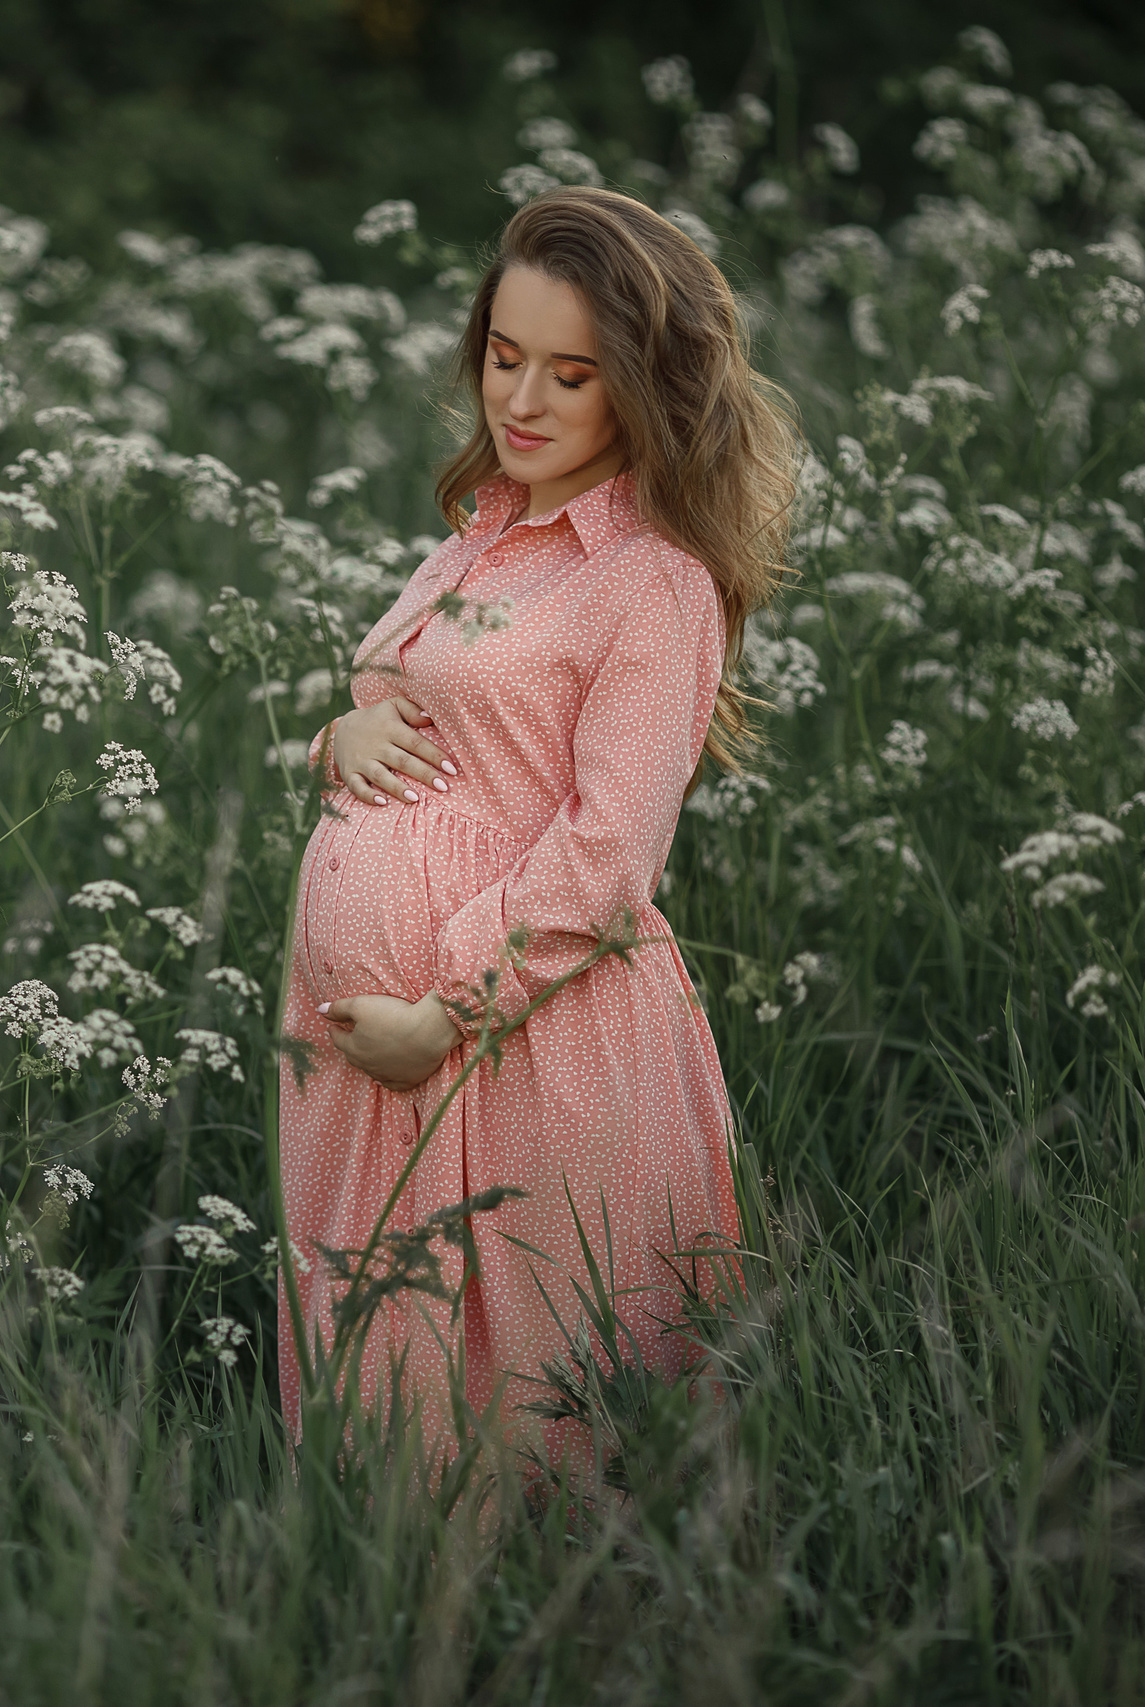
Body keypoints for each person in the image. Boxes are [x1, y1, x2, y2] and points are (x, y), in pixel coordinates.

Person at [278, 185, 799, 1476]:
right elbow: (407, 710)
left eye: (570, 374)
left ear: (643, 384)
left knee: (531, 1418)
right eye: (505, 359)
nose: (521, 401)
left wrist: (448, 1009)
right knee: (377, 1403)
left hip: (514, 1040)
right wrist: (331, 740)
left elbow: (609, 851)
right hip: (368, 1061)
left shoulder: (653, 583)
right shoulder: (485, 533)